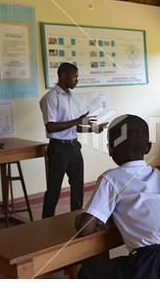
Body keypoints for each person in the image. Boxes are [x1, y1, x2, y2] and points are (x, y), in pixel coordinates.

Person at [76, 114, 160, 279]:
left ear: (110, 149)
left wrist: (79, 218)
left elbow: (86, 229)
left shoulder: (111, 178)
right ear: (148, 147)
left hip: (156, 263)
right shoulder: (157, 174)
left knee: (88, 271)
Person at [39, 63, 106, 218]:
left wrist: (92, 129)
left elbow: (71, 127)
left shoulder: (70, 97)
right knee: (54, 188)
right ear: (64, 76)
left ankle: (75, 217)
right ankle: (46, 220)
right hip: (58, 149)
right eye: (75, 76)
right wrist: (77, 121)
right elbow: (51, 127)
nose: (77, 80)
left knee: (77, 187)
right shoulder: (51, 97)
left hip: (74, 147)